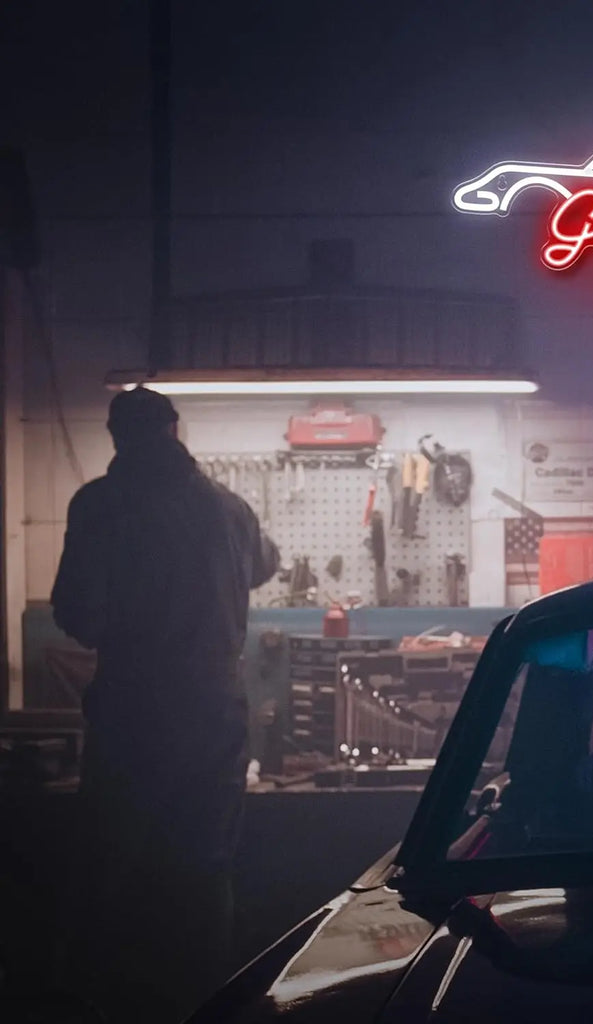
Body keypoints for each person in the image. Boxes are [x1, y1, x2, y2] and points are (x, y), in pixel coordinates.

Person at [50, 386, 279, 1024]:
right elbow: (263, 566)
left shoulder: (100, 503)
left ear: (117, 435)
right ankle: (208, 1002)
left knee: (113, 863)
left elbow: (80, 614)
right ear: (176, 429)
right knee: (207, 868)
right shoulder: (228, 507)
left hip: (134, 713)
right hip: (215, 712)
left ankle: (97, 1006)